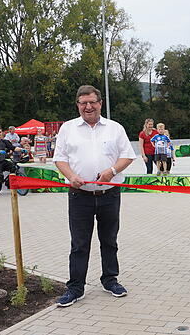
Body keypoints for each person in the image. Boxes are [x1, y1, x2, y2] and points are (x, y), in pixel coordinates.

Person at [53, 85, 136, 307]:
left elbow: (128, 156)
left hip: (109, 194)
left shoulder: (114, 128)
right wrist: (71, 176)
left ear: (100, 103)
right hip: (79, 195)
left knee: (109, 240)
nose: (88, 106)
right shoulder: (68, 129)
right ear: (78, 105)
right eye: (83, 103)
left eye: (92, 102)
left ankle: (110, 280)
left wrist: (112, 171)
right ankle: (75, 288)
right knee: (79, 243)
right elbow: (59, 158)